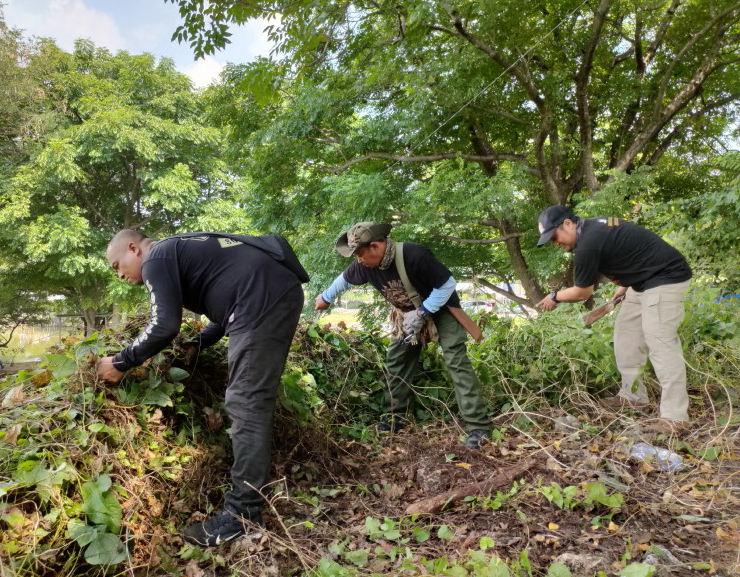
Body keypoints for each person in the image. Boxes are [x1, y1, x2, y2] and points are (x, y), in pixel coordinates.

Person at [97, 229, 305, 547]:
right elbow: (227, 299)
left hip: (261, 300)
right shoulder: (179, 251)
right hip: (270, 293)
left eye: (117, 266)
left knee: (246, 401)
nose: (120, 275)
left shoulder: (156, 258)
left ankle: (242, 515)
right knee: (249, 399)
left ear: (133, 248)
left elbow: (164, 324)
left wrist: (121, 361)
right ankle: (246, 506)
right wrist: (198, 342)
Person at [314, 222, 492, 449]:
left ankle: (479, 427)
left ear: (375, 246)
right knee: (396, 361)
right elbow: (344, 279)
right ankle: (394, 419)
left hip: (442, 311)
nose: (358, 260)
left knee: (456, 361)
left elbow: (447, 284)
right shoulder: (364, 265)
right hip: (406, 315)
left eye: (359, 254)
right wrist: (326, 298)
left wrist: (423, 312)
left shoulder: (415, 255)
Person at [535, 205, 693, 434]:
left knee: (661, 344)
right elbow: (633, 252)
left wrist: (554, 297)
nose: (555, 243)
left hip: (666, 277)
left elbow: (582, 293)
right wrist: (625, 284)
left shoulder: (588, 244)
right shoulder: (592, 228)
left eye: (554, 236)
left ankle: (675, 417)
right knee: (626, 335)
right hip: (641, 282)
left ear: (568, 223)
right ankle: (633, 397)